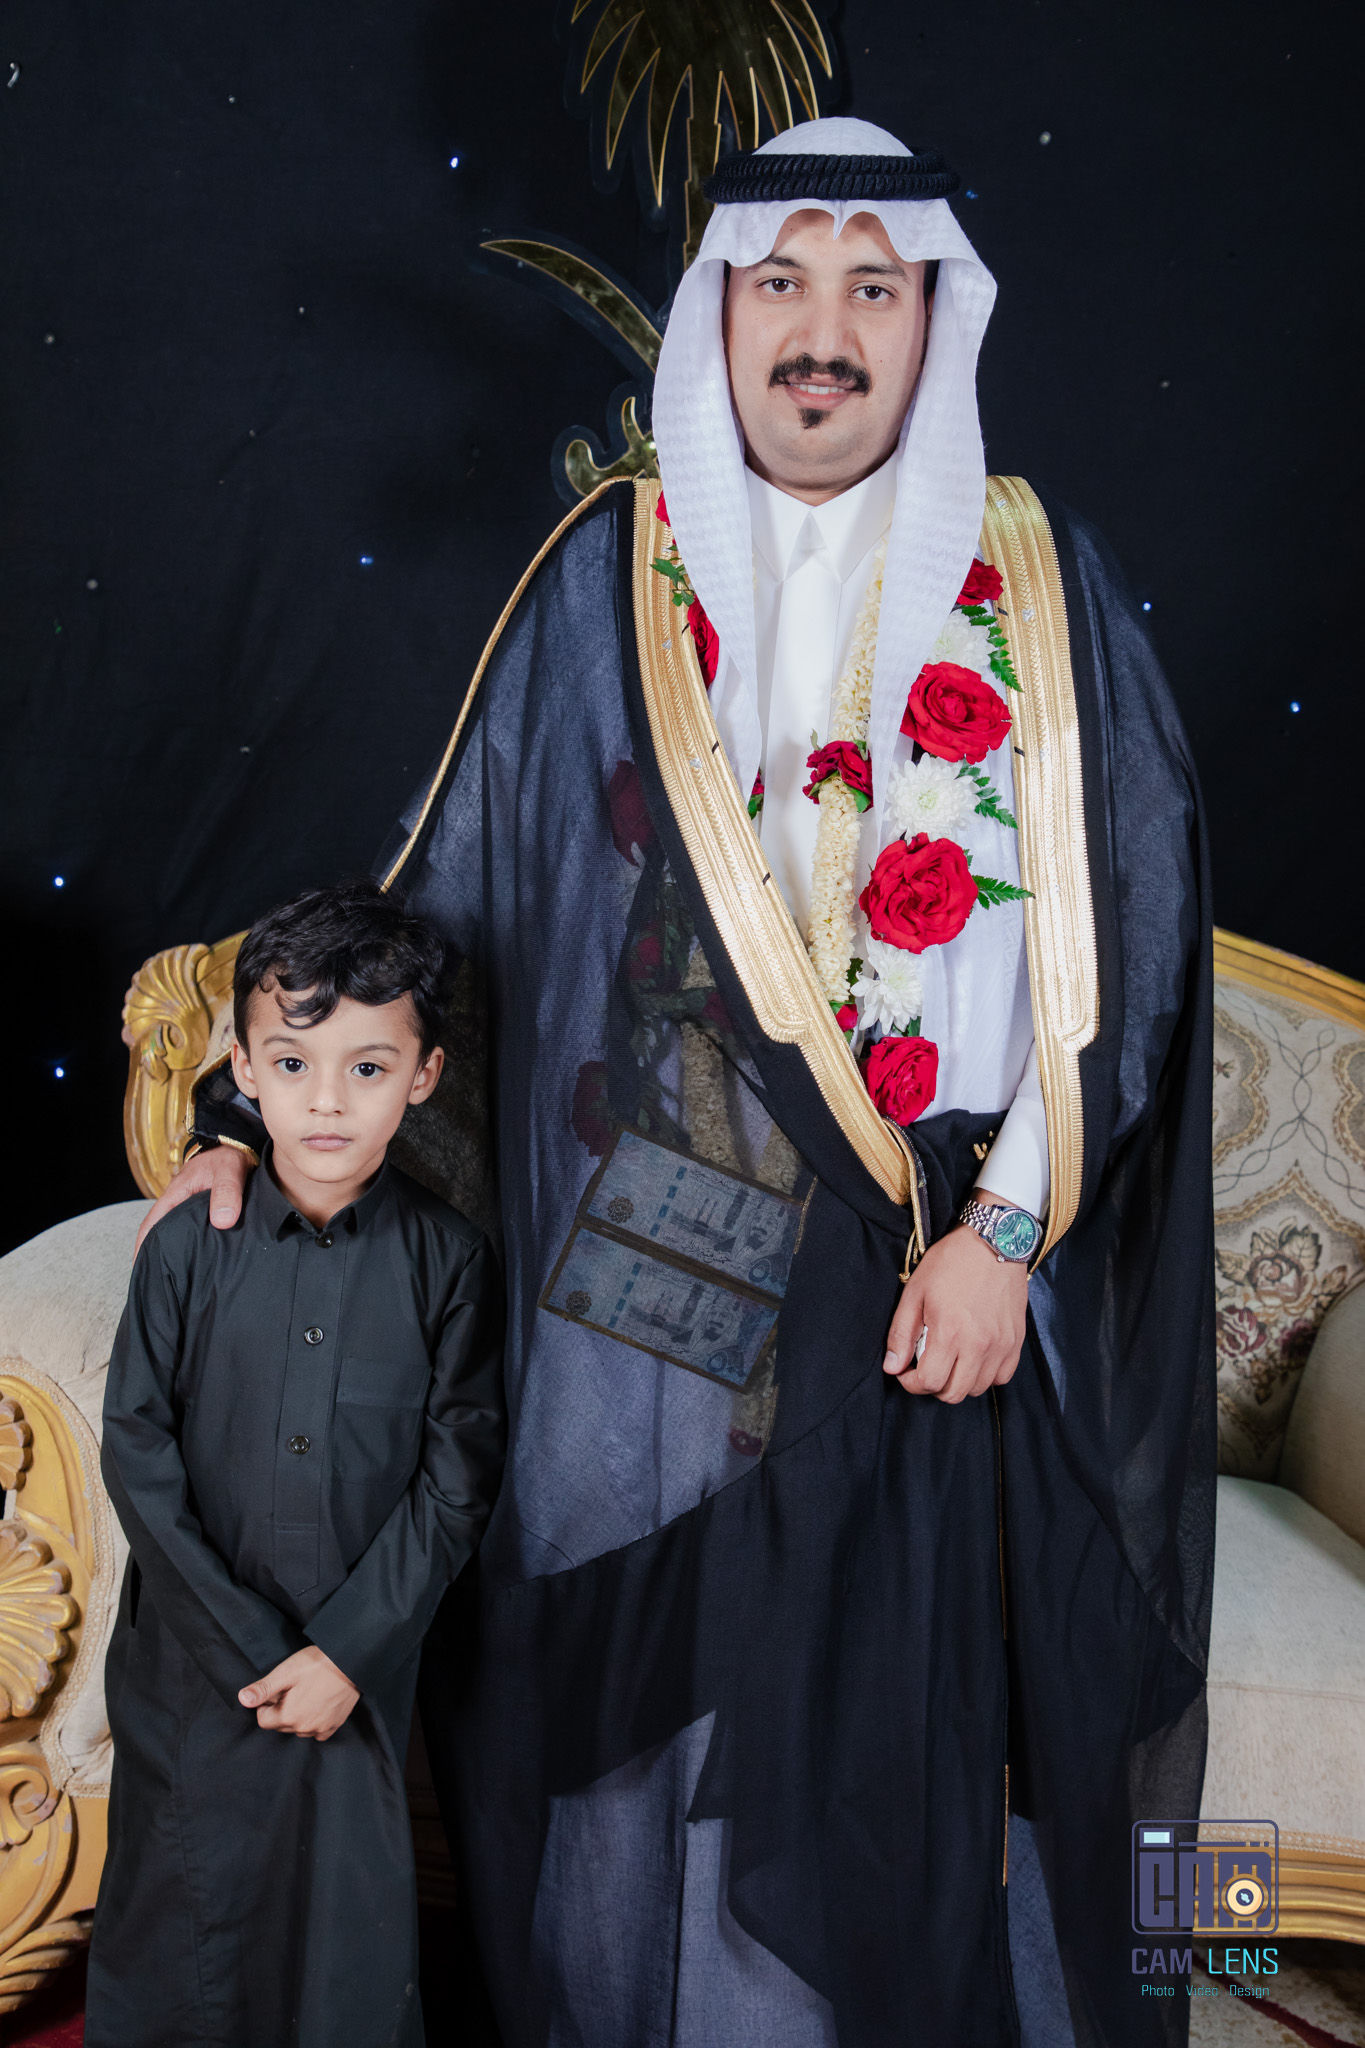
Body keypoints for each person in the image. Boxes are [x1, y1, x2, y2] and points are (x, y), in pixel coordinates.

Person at [136, 119, 1214, 2047]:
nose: (825, 330)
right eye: (780, 284)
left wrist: (1006, 1238)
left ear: (932, 317)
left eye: (872, 286)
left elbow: (1121, 962)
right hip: (657, 1281)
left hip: (957, 1275)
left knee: (946, 1725)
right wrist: (247, 1109)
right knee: (649, 1737)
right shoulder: (609, 578)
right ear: (721, 314)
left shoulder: (1046, 589)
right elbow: (455, 896)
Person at [91, 880, 505, 2048]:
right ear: (242, 1065)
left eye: (368, 1067)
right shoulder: (188, 1243)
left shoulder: (450, 1260)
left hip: (351, 1671)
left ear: (422, 1075)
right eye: (292, 1063)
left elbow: (457, 1474)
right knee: (182, 1924)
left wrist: (344, 1652)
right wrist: (257, 1647)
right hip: (192, 1661)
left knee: (340, 1948)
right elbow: (136, 1445)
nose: (326, 1099)